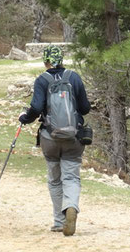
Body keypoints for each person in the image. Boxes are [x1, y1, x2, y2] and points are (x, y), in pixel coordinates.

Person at [18, 45, 91, 236]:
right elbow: (85, 109)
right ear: (62, 59)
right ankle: (71, 207)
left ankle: (59, 221)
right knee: (71, 177)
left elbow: (35, 108)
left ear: (46, 62)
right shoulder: (74, 77)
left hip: (50, 138)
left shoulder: (42, 80)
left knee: (54, 179)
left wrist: (25, 119)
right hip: (74, 138)